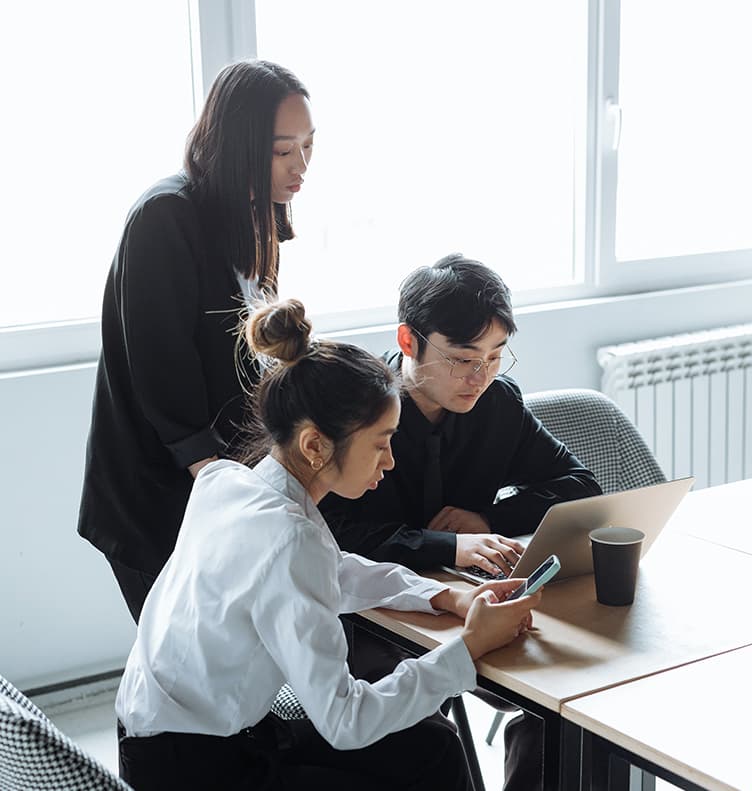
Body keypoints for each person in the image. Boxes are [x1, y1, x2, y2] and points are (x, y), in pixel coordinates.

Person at [114, 298, 543, 791]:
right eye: (380, 443)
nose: (390, 461)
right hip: (198, 770)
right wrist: (470, 647)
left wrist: (446, 596)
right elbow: (346, 721)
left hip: (158, 737)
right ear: (315, 445)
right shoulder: (288, 537)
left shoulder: (227, 481)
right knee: (429, 753)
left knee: (431, 745)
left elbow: (335, 570)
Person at [319, 253, 603, 791]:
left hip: (470, 604)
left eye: (495, 356)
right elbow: (334, 538)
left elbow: (580, 484)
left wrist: (486, 518)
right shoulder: (356, 411)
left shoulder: (497, 405)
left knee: (571, 703)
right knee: (424, 740)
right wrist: (447, 546)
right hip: (364, 616)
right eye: (463, 358)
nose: (480, 376)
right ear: (409, 340)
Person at [77, 59, 315, 622]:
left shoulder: (259, 210)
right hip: (157, 492)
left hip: (220, 483)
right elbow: (163, 373)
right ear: (238, 145)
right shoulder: (165, 217)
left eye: (309, 145)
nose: (301, 166)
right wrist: (223, 489)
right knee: (179, 657)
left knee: (225, 653)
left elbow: (248, 352)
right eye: (283, 150)